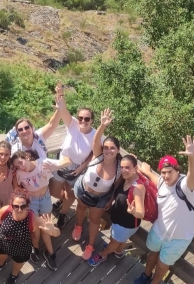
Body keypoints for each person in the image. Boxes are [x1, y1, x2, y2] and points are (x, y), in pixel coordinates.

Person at [133, 136, 194, 284]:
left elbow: (193, 174)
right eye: (163, 172)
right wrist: (143, 169)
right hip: (159, 230)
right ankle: (146, 275)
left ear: (178, 171)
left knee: (163, 265)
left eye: (170, 172)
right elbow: (153, 177)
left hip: (179, 238)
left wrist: (192, 156)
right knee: (152, 256)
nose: (166, 175)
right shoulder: (163, 181)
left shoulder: (186, 186)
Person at [72, 108, 123, 261]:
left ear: (118, 150)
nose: (108, 150)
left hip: (100, 198)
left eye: (112, 148)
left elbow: (116, 185)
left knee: (94, 221)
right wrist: (102, 126)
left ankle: (90, 245)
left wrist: (110, 199)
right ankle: (78, 226)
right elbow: (96, 140)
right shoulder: (98, 155)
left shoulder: (120, 167)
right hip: (83, 189)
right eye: (106, 147)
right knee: (80, 208)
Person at [0, 191, 58, 284]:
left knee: (18, 263)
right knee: (1, 257)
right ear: (11, 206)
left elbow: (56, 233)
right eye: (16, 206)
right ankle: (0, 264)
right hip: (2, 242)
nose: (19, 209)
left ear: (28, 206)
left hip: (21, 248)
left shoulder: (33, 219)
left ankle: (14, 275)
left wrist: (53, 229)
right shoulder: (5, 211)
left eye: (23, 206)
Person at [12, 149, 70, 269]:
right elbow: (16, 185)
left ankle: (50, 253)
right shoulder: (19, 173)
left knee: (46, 225)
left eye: (21, 162)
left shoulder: (43, 163)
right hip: (32, 200)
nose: (20, 167)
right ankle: (36, 248)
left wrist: (56, 165)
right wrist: (21, 192)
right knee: (35, 228)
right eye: (17, 165)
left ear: (27, 157)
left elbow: (68, 161)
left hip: (45, 198)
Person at [87, 153, 145, 266]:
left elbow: (141, 213)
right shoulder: (126, 178)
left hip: (126, 224)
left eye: (127, 167)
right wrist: (110, 201)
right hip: (119, 218)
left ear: (135, 168)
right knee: (119, 239)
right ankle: (118, 251)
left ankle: (102, 255)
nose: (124, 170)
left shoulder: (138, 188)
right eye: (122, 167)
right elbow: (118, 191)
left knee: (114, 241)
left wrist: (134, 211)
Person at [49, 95, 96, 229]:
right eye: (81, 118)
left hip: (77, 168)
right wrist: (61, 97)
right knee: (53, 191)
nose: (83, 121)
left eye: (87, 119)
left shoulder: (95, 135)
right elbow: (64, 111)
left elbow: (95, 152)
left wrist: (82, 167)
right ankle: (62, 201)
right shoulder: (73, 124)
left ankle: (63, 213)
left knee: (71, 195)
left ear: (91, 120)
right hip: (62, 162)